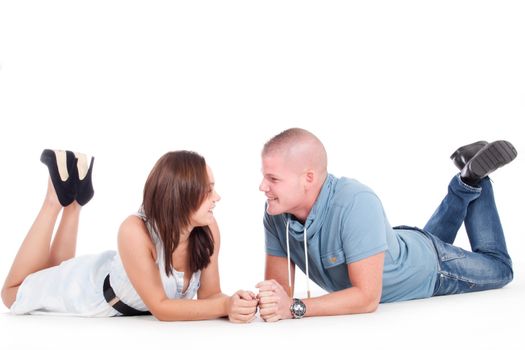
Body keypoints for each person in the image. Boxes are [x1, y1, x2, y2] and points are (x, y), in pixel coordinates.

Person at [255, 128, 517, 322]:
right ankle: (466, 175)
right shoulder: (276, 214)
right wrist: (248, 303)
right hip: (399, 248)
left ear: (308, 178)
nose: (262, 187)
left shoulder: (355, 202)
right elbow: (279, 294)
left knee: (501, 268)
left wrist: (295, 308)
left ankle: (472, 180)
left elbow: (367, 298)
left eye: (273, 179)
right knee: (429, 242)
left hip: (431, 269)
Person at [1, 149, 258, 322]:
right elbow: (160, 307)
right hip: (89, 291)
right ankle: (55, 199)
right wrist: (224, 307)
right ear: (182, 195)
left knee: (55, 268)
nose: (217, 198)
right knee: (12, 295)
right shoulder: (133, 230)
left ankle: (76, 199)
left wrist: (238, 302)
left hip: (114, 274)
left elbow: (211, 295)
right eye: (208, 190)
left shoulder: (208, 229)